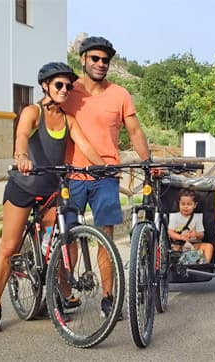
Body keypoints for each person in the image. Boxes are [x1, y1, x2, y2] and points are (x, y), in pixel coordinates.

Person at [0, 62, 105, 333]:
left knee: (66, 239)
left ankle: (59, 292)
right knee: (9, 247)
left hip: (51, 191)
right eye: (59, 85)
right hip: (23, 188)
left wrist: (104, 169)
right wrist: (22, 156)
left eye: (68, 86)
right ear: (45, 86)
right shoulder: (32, 111)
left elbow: (85, 145)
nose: (64, 90)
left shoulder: (67, 119)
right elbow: (22, 134)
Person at [61, 36, 152, 319]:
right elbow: (46, 118)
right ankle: (65, 296)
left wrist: (148, 163)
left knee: (106, 236)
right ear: (83, 59)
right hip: (73, 174)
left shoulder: (120, 95)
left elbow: (135, 132)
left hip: (106, 176)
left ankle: (108, 298)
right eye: (95, 58)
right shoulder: (67, 90)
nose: (101, 64)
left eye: (105, 60)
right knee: (69, 237)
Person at [168, 189, 213, 263]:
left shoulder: (197, 217)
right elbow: (170, 232)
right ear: (179, 204)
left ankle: (205, 263)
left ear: (195, 205)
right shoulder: (174, 216)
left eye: (189, 204)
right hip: (179, 246)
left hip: (194, 245)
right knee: (173, 249)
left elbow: (201, 235)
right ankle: (181, 261)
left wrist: (195, 234)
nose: (185, 207)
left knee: (209, 246)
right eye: (183, 204)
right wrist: (181, 237)